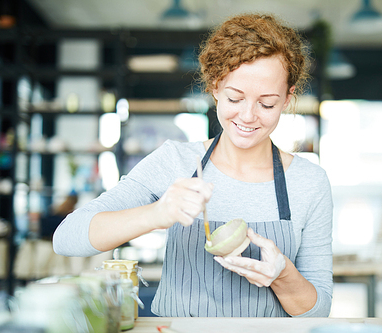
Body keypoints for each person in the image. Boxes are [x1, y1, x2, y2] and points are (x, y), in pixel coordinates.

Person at [53, 13, 333, 317]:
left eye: (267, 103)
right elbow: (67, 237)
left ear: (287, 98)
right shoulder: (175, 161)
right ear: (215, 87)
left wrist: (282, 276)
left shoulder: (309, 182)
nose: (249, 116)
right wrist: (157, 214)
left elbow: (317, 311)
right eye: (235, 98)